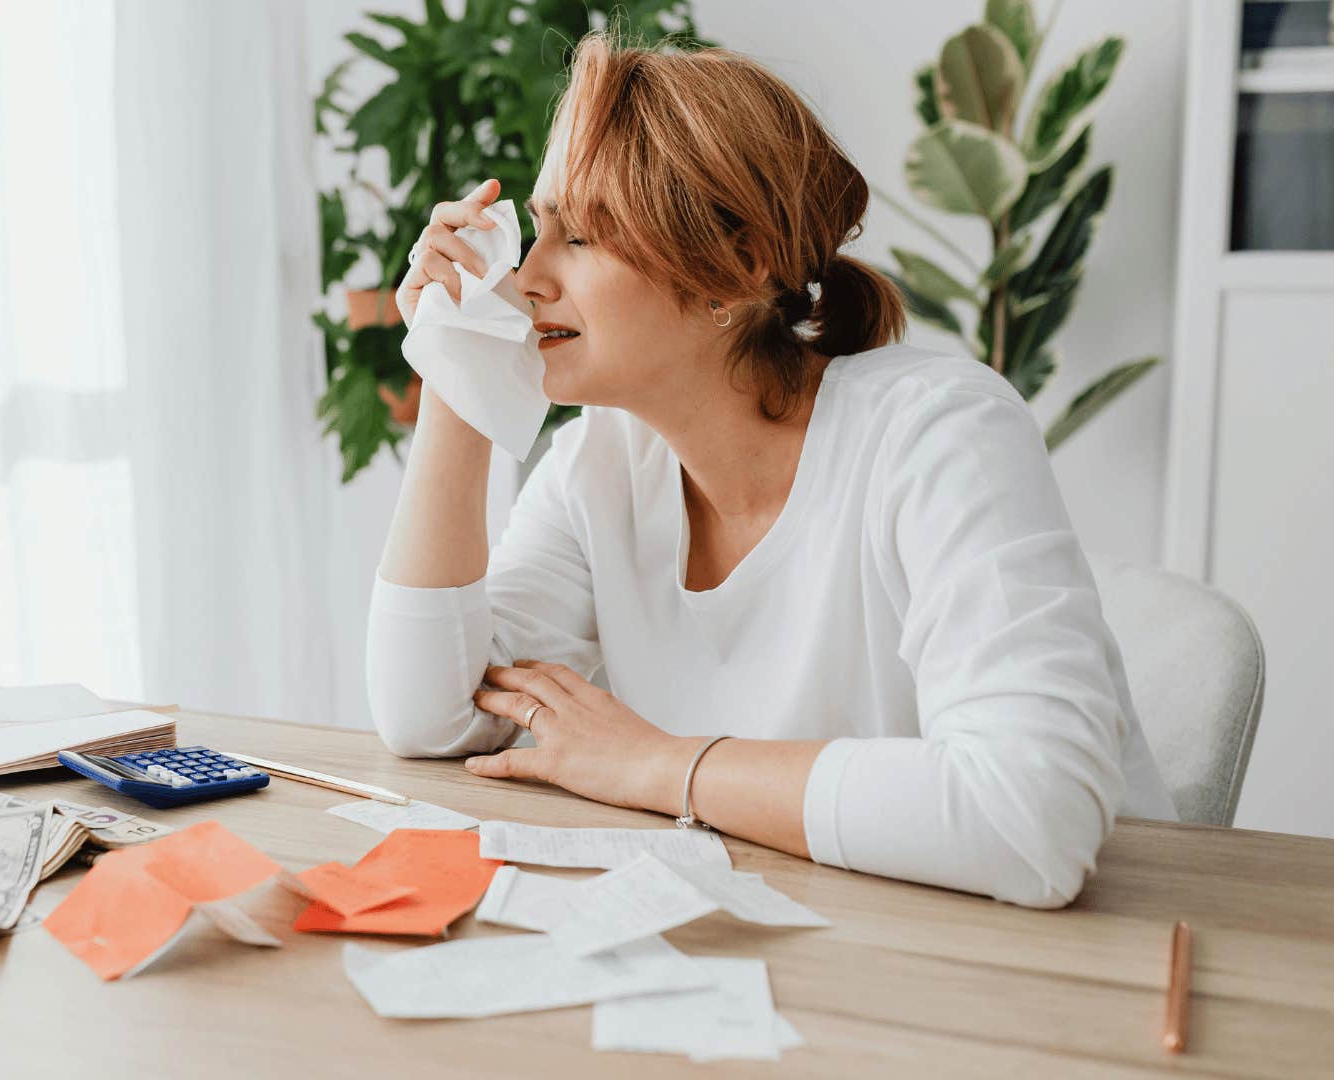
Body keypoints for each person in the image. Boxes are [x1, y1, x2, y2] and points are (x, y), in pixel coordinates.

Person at [367, 35, 1175, 910]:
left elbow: (1034, 822)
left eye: (584, 237)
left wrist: (656, 763)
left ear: (740, 268)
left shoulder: (940, 433)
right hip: (833, 949)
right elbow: (435, 718)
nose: (525, 279)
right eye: (540, 229)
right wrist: (455, 367)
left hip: (1086, 975)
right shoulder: (597, 468)